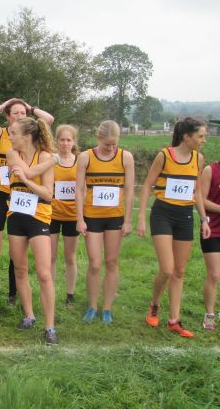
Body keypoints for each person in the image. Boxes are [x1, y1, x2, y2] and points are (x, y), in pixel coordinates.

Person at [0, 98, 55, 305]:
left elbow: (48, 120)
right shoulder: (0, 134)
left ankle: (12, 296)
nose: (20, 116)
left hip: (22, 195)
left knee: (15, 251)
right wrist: (3, 105)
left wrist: (32, 108)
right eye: (15, 113)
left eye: (23, 113)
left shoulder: (30, 139)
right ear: (8, 116)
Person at [138, 117, 210, 338]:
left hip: (185, 216)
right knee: (167, 269)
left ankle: (174, 321)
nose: (203, 140)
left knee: (179, 271)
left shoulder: (198, 159)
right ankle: (155, 303)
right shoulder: (165, 155)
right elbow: (148, 185)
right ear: (186, 137)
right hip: (162, 214)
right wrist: (141, 216)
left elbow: (196, 191)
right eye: (200, 136)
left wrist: (204, 218)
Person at [75, 120, 134, 324]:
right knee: (94, 263)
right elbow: (80, 189)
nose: (111, 148)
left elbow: (129, 190)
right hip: (92, 217)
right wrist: (79, 218)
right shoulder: (85, 157)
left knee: (111, 262)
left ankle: (107, 307)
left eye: (114, 143)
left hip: (114, 217)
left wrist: (128, 221)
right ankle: (92, 306)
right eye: (107, 143)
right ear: (98, 138)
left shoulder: (125, 157)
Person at [6, 117, 58, 345]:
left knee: (44, 273)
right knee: (20, 269)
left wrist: (29, 181)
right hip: (16, 215)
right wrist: (52, 163)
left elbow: (47, 194)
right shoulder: (11, 154)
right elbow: (27, 171)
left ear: (27, 136)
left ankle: (50, 325)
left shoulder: (44, 155)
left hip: (39, 217)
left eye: (14, 133)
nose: (10, 136)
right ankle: (29, 315)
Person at [50, 125, 80, 306]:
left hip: (72, 215)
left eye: (69, 140)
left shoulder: (80, 161)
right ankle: (50, 291)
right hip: (52, 213)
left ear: (74, 142)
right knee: (51, 256)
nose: (65, 143)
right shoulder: (50, 160)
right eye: (62, 139)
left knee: (70, 257)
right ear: (56, 141)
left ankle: (70, 294)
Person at [200, 159, 220, 330]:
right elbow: (201, 199)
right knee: (214, 274)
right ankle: (209, 315)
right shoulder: (210, 170)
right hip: (212, 229)